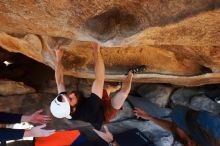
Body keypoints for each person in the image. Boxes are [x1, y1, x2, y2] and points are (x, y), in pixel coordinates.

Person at [54, 42, 133, 130]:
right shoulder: (88, 111)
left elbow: (59, 81)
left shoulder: (63, 102)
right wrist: (96, 51)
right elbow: (100, 78)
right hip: (104, 113)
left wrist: (58, 58)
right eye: (71, 99)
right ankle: (131, 74)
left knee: (107, 89)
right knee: (123, 94)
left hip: (94, 104)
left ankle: (116, 87)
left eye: (67, 95)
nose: (71, 94)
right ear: (73, 110)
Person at [134, 105, 220, 146]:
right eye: (194, 144)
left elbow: (173, 128)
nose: (189, 143)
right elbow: (174, 127)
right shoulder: (209, 128)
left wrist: (150, 117)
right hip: (182, 109)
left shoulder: (188, 140)